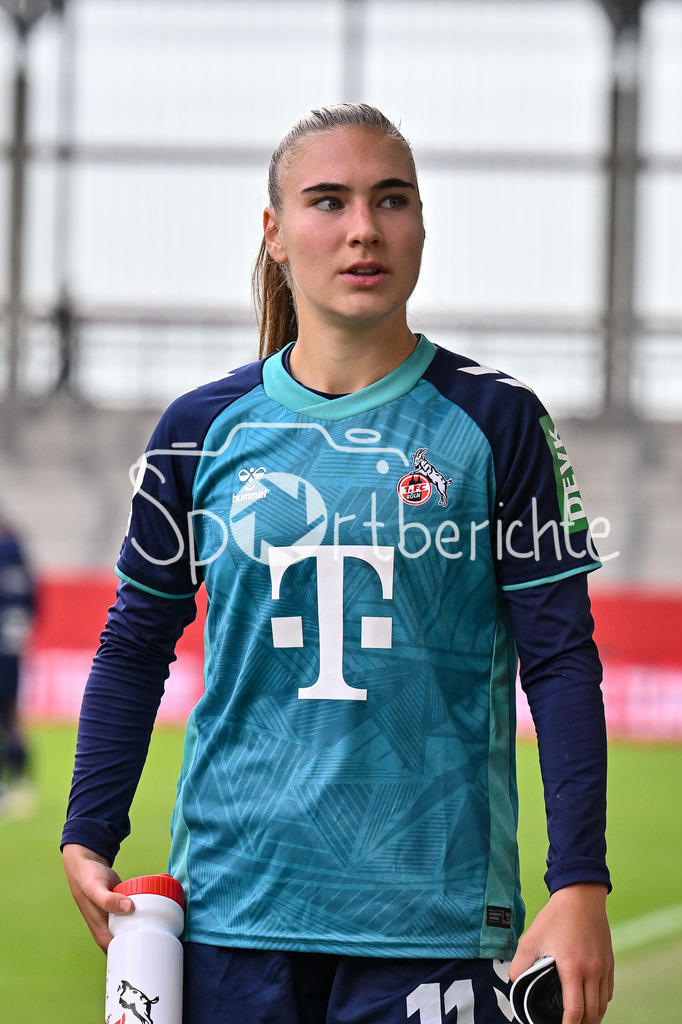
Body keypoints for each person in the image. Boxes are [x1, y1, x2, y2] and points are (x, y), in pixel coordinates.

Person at [62, 103, 613, 1024]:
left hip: (433, 921)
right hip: (234, 916)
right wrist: (88, 829)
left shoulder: (499, 422)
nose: (364, 228)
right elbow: (135, 642)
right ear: (275, 233)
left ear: (422, 223)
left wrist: (580, 880)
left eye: (391, 199)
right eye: (328, 201)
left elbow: (559, 660)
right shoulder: (199, 430)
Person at [0, 517, 36, 807]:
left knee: (8, 716)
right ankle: (20, 780)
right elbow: (34, 605)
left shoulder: (6, 556)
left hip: (5, 648)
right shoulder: (19, 558)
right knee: (12, 714)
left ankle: (15, 778)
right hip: (13, 647)